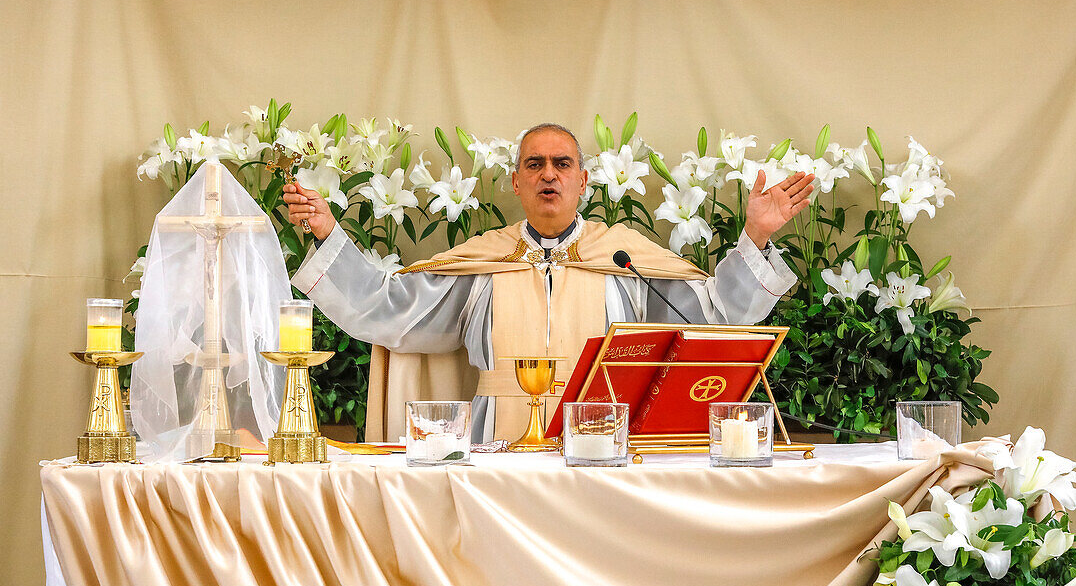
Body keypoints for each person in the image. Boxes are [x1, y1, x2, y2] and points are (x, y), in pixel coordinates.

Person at [283, 123, 814, 442]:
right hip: (499, 447)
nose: (548, 174)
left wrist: (755, 236)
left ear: (583, 181)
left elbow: (715, 317)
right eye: (534, 164)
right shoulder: (485, 263)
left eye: (562, 164)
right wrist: (330, 232)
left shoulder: (624, 259)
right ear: (516, 181)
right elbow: (390, 310)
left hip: (604, 449)